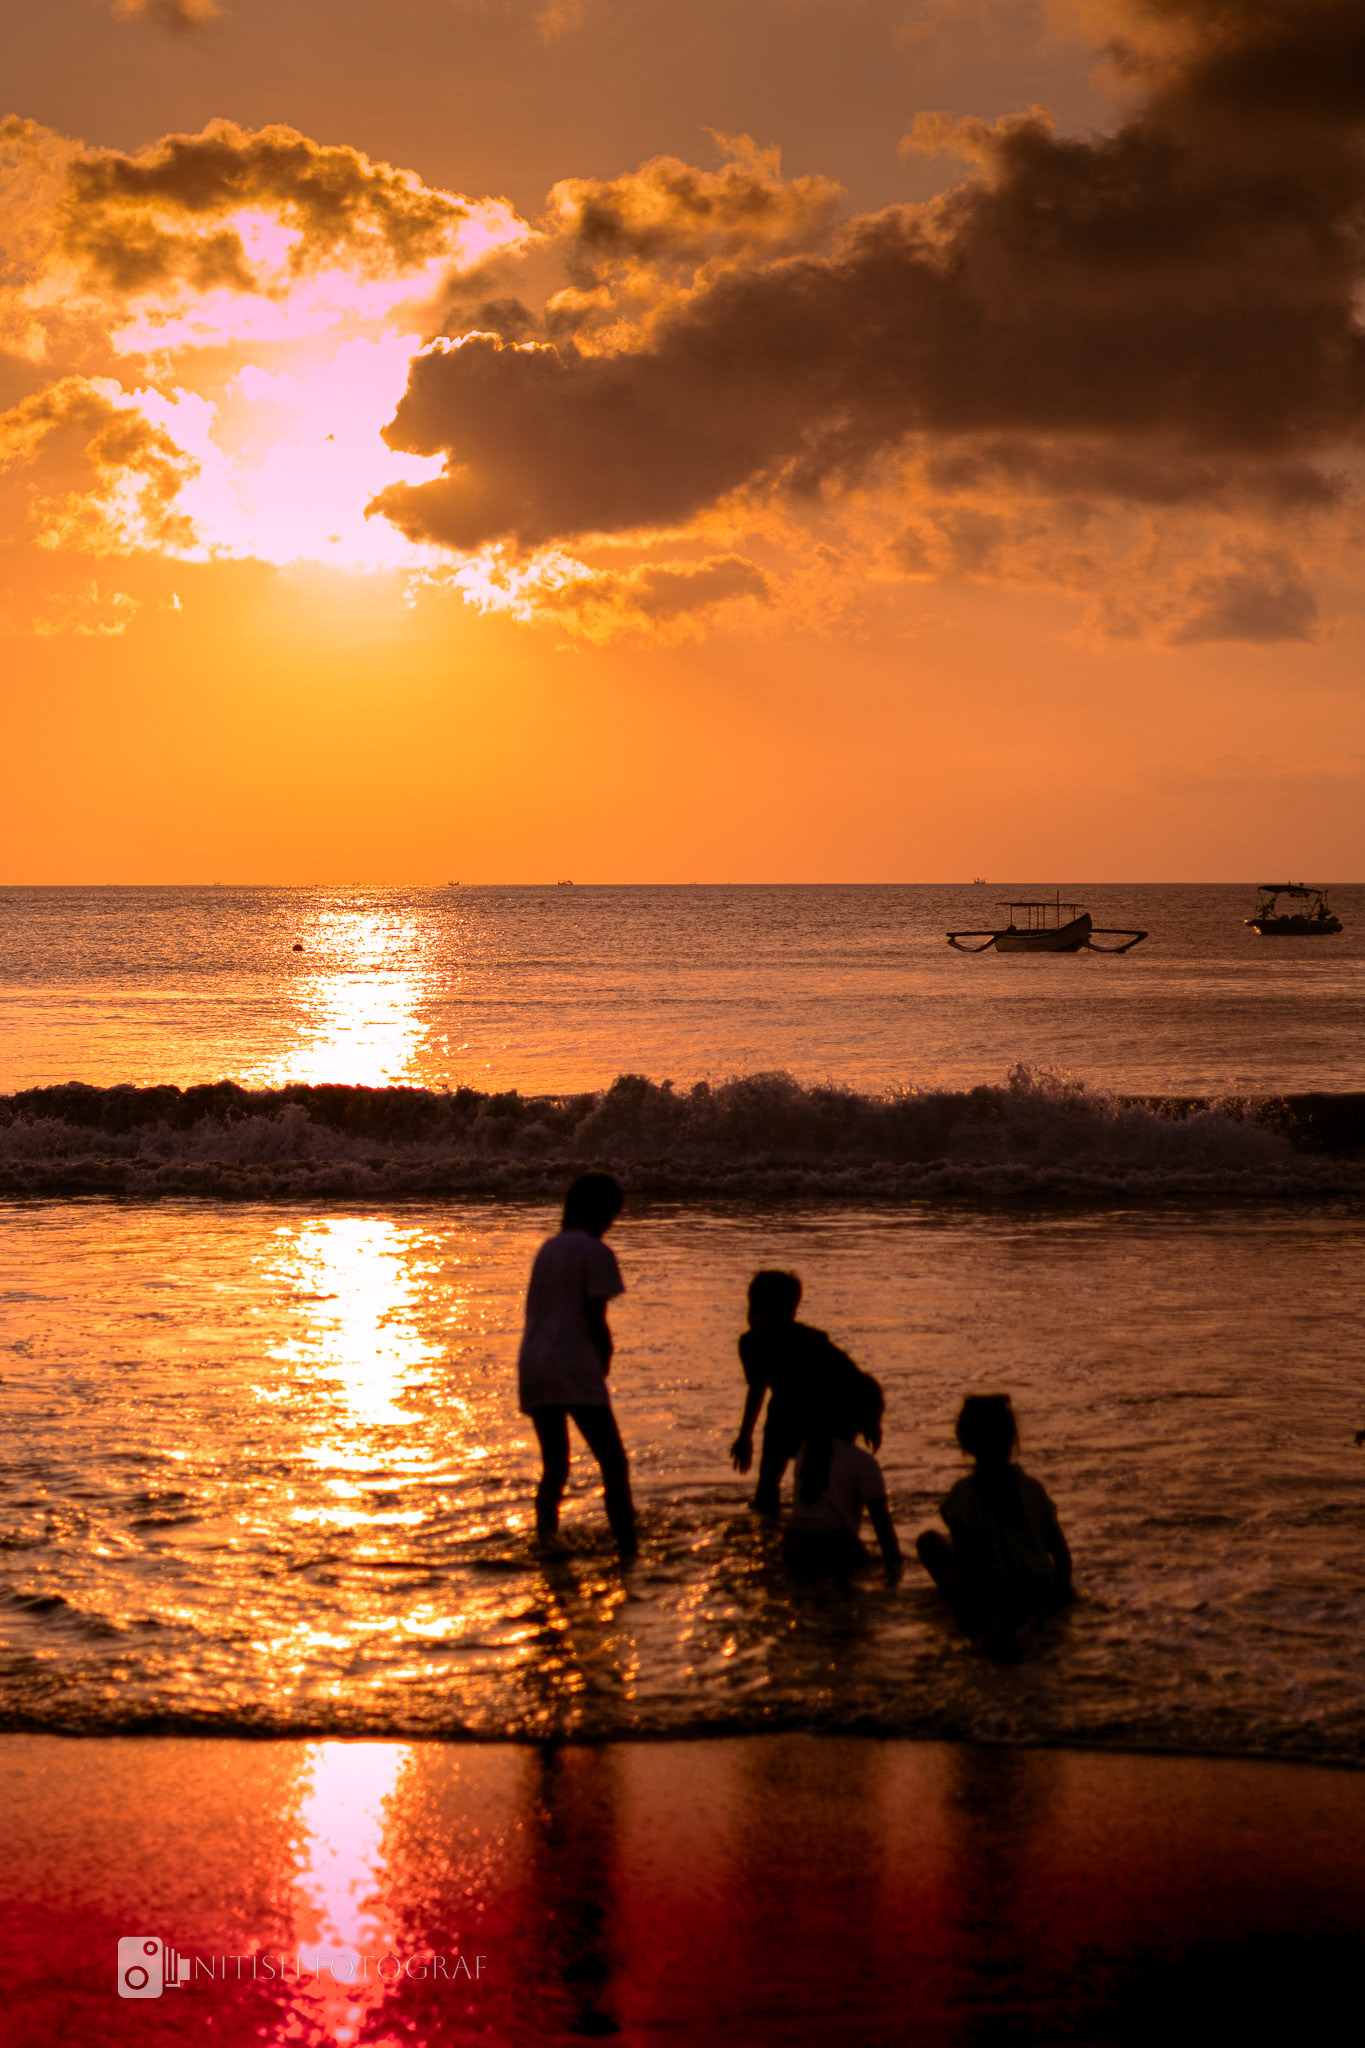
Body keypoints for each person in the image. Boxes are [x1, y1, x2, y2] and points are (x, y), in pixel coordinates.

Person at [518, 1172, 637, 1564]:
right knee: (613, 1461)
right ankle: (626, 1548)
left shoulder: (547, 1249)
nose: (611, 1223)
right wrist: (604, 1355)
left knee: (555, 1466)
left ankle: (547, 1543)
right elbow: (593, 1317)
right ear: (598, 1212)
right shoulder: (595, 1252)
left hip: (533, 1365)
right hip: (572, 1363)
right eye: (610, 1215)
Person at [916, 1394, 1072, 1641]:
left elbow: (967, 1572)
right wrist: (1060, 1597)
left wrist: (960, 1611)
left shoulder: (964, 1497)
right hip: (1039, 1588)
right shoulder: (1033, 1489)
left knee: (929, 1543)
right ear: (1012, 1440)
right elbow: (1062, 1558)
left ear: (965, 1443)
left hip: (996, 1596)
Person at [729, 1271, 861, 1515]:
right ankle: (768, 1528)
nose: (756, 1320)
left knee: (818, 1485)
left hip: (825, 1417)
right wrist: (744, 1435)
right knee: (766, 1486)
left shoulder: (812, 1343)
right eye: (752, 1311)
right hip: (782, 1413)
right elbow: (758, 1387)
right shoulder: (749, 1344)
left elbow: (851, 1383)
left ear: (789, 1314)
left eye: (766, 1313)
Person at [783, 1369, 902, 1581]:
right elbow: (882, 1526)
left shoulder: (807, 1451)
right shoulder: (863, 1462)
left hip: (792, 1545)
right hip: (834, 1547)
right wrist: (895, 1567)